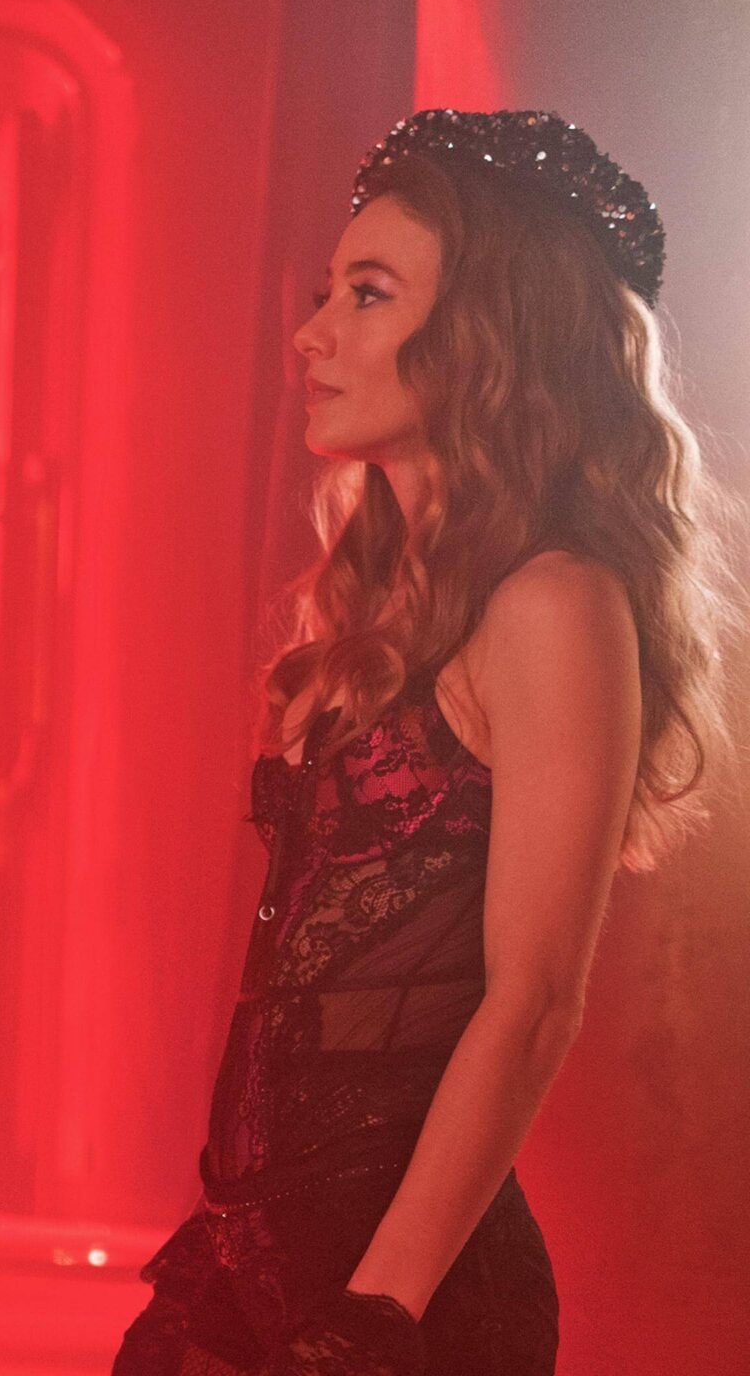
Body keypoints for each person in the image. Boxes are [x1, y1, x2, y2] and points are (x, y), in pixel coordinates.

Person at [114, 110, 737, 1375]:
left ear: (488, 335)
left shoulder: (554, 603)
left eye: (368, 293)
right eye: (328, 291)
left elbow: (534, 1000)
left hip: (407, 1289)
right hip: (245, 1256)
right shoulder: (379, 603)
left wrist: (376, 1314)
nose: (311, 334)